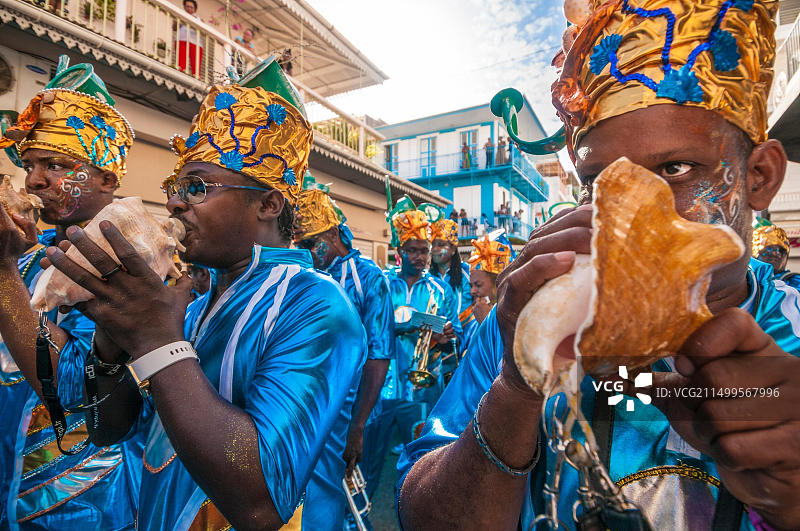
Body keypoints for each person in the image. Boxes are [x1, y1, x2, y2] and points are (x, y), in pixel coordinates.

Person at [397, 0, 800, 529]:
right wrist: (519, 387)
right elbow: (425, 517)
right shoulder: (526, 329)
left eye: (675, 169)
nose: (628, 213)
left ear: (760, 177)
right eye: (599, 181)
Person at [44, 71, 366, 530]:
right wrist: (112, 339)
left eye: (197, 187)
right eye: (175, 189)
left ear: (268, 204)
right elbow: (107, 429)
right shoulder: (193, 308)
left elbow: (259, 505)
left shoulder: (317, 305)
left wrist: (157, 339)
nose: (175, 204)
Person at [0, 57, 139, 529]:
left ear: (107, 179)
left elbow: (77, 392)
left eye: (57, 166)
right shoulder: (24, 253)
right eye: (31, 165)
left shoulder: (126, 265)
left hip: (78, 499)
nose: (34, 180)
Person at [294, 184, 394, 529]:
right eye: (300, 245)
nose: (306, 251)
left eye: (310, 243)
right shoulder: (306, 276)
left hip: (351, 409)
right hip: (313, 408)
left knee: (343, 495)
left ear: (333, 233)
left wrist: (358, 424)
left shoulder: (369, 277)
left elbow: (379, 357)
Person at [360, 197, 461, 503]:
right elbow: (365, 330)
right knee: (367, 466)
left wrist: (446, 339)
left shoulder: (442, 290)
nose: (420, 257)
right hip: (380, 391)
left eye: (424, 251)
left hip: (420, 394)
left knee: (418, 466)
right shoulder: (381, 284)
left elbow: (451, 346)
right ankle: (357, 518)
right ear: (398, 252)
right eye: (413, 251)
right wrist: (398, 326)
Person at [461, 230, 513, 351]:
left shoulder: (514, 318)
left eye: (478, 285)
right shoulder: (470, 321)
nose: (472, 291)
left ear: (498, 284)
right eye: (471, 285)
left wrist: (486, 322)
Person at [752, 217, 799, 289]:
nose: (775, 254)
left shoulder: (794, 282)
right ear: (754, 256)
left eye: (781, 251)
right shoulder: (746, 282)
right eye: (768, 250)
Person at [176, 0, 203, 76]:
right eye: (187, 6)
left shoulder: (198, 19)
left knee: (196, 68)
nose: (189, 9)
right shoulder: (181, 15)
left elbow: (202, 31)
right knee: (181, 65)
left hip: (196, 43)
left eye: (191, 7)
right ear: (184, 7)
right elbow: (174, 27)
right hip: (181, 40)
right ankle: (180, 75)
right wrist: (179, 21)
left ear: (195, 9)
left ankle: (196, 78)